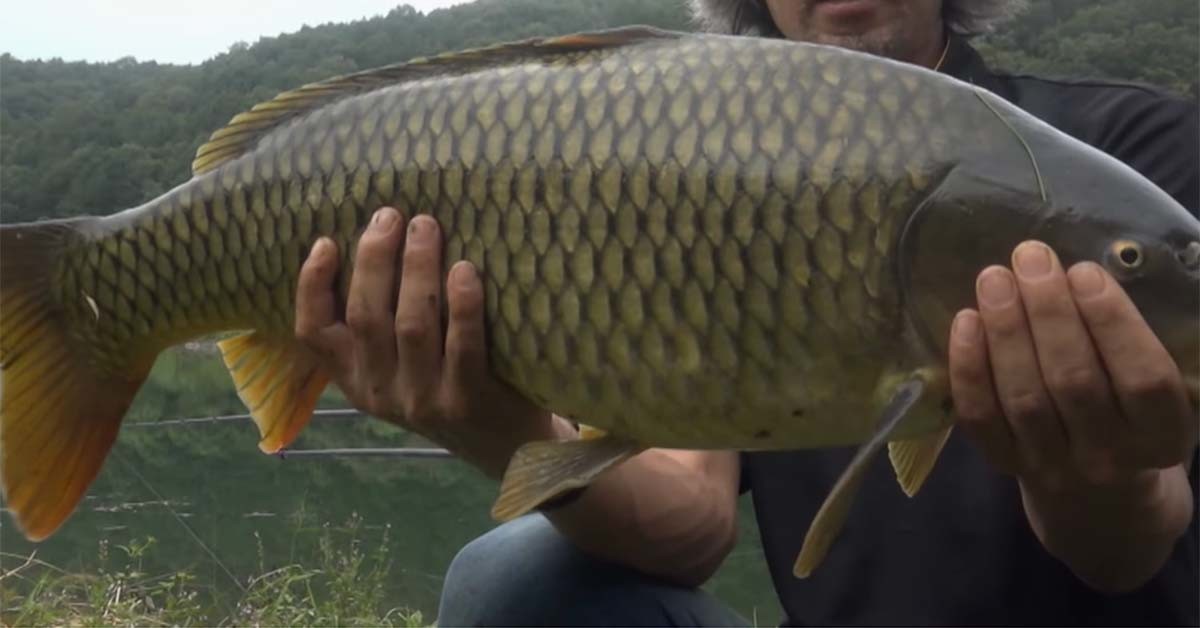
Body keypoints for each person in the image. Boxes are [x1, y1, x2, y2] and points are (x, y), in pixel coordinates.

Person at [291, 0, 1200, 624]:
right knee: (511, 579)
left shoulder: (1142, 161)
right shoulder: (695, 166)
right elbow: (686, 524)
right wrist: (501, 430)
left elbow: (1129, 553)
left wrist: (1099, 473)